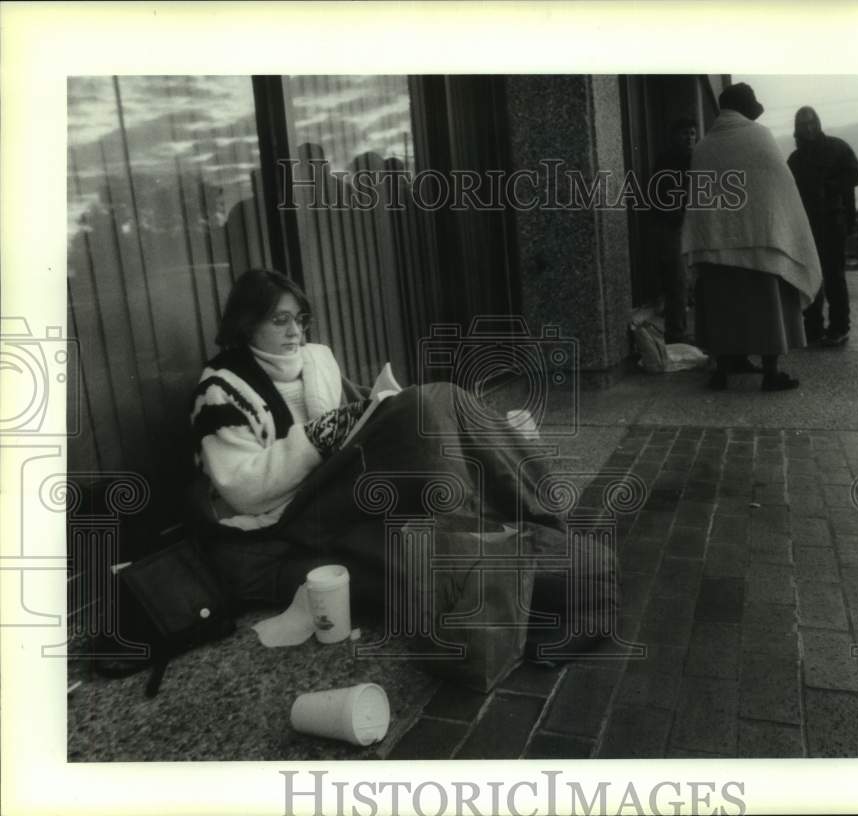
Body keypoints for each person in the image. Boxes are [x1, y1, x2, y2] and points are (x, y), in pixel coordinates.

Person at [188, 269, 618, 681]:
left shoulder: (316, 361)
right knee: (427, 409)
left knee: (440, 405)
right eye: (280, 321)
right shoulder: (223, 388)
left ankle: (522, 512)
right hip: (293, 513)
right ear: (246, 324)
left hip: (346, 491)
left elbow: (354, 412)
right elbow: (240, 486)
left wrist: (374, 405)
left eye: (300, 320)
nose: (295, 333)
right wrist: (319, 436)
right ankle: (496, 519)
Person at [682, 83, 822, 391]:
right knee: (766, 309)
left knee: (722, 309)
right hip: (761, 245)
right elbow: (780, 189)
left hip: (715, 248)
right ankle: (771, 373)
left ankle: (723, 370)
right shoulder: (760, 138)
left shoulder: (705, 147)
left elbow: (700, 202)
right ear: (747, 109)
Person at [787, 106, 858, 347]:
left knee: (834, 277)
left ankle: (840, 328)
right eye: (803, 124)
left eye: (811, 123)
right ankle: (812, 328)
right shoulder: (795, 159)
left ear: (818, 123)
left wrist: (830, 186)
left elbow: (856, 175)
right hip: (806, 226)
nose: (808, 128)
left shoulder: (837, 147)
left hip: (832, 222)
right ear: (797, 129)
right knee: (810, 277)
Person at [651, 117, 699, 343]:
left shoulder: (696, 159)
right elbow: (663, 199)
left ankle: (681, 331)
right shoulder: (666, 162)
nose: (689, 138)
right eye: (685, 133)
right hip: (672, 227)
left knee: (686, 281)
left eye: (692, 133)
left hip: (688, 225)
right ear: (674, 136)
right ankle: (676, 334)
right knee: (677, 281)